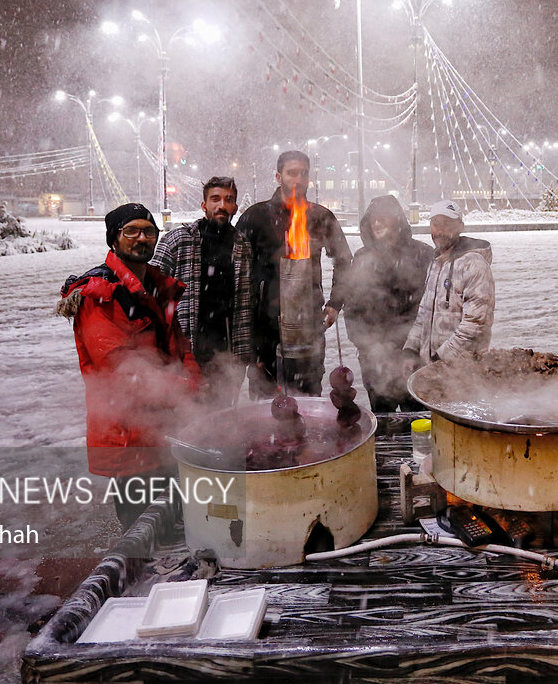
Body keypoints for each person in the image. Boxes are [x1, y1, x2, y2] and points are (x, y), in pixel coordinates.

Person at [57, 203, 200, 529]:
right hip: (129, 433)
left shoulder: (158, 286)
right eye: (131, 231)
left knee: (171, 517)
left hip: (164, 427)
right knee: (143, 529)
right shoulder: (99, 296)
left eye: (149, 231)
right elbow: (122, 369)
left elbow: (180, 346)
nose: (142, 238)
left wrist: (194, 377)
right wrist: (185, 390)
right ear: (113, 239)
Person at [233, 150, 352, 397]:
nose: (298, 180)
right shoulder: (256, 217)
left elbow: (344, 261)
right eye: (291, 173)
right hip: (266, 324)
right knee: (266, 399)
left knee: (308, 396)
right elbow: (234, 267)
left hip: (308, 322)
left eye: (304, 173)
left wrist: (335, 303)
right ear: (278, 176)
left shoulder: (320, 217)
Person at [151, 176, 249, 402]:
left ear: (235, 207)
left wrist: (245, 353)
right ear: (204, 205)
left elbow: (247, 302)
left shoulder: (242, 245)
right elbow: (151, 293)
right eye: (215, 199)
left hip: (228, 354)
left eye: (228, 200)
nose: (222, 205)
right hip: (187, 350)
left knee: (223, 416)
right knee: (189, 419)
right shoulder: (178, 241)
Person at [344, 195, 434, 412]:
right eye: (373, 218)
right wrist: (367, 348)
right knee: (383, 423)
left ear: (398, 220)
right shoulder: (362, 258)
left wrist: (413, 349)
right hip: (374, 359)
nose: (377, 222)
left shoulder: (424, 255)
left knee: (417, 422)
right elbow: (352, 308)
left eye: (383, 217)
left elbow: (431, 308)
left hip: (413, 360)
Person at [404, 199, 495, 363]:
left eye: (448, 224)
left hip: (464, 370)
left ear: (460, 226)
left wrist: (441, 358)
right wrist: (411, 349)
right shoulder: (435, 263)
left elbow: (475, 324)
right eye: (435, 223)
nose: (440, 230)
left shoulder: (474, 265)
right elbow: (423, 314)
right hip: (433, 366)